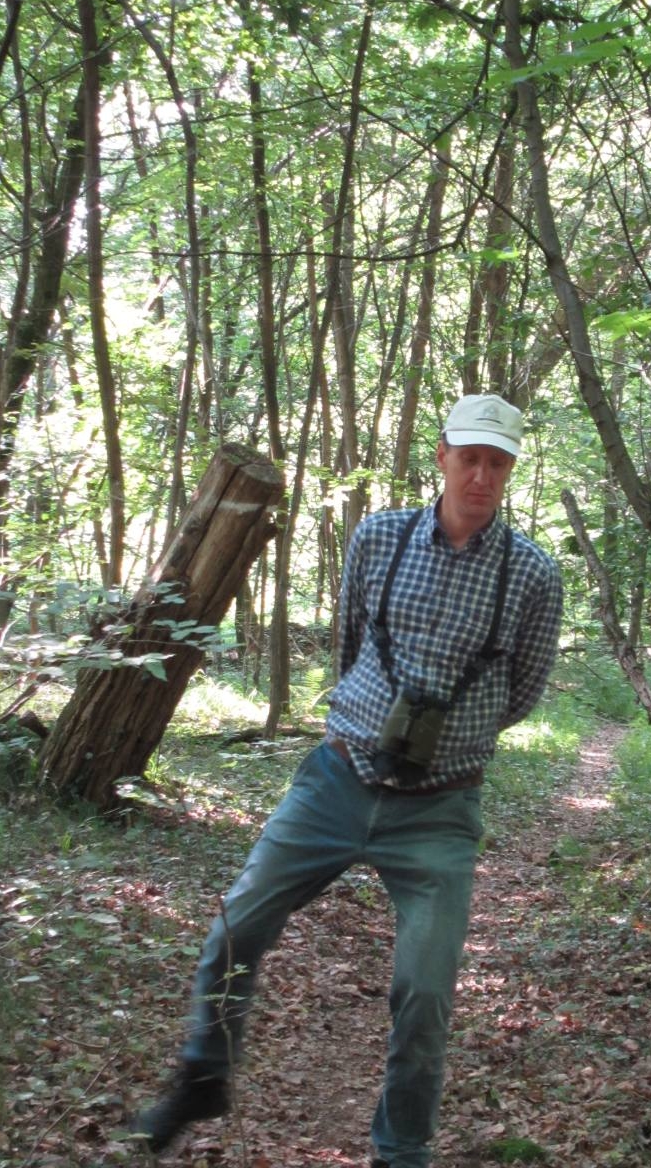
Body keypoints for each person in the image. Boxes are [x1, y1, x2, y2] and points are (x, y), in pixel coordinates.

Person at [132, 393, 564, 1168]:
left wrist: (451, 737)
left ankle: (402, 1152)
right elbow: (353, 641)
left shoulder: (532, 574)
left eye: (497, 463)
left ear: (510, 470)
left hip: (439, 811)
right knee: (236, 926)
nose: (481, 476)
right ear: (442, 455)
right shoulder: (380, 537)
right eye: (469, 457)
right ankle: (202, 1076)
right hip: (337, 779)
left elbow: (523, 691)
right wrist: (369, 722)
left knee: (426, 993)